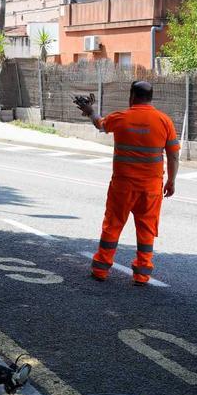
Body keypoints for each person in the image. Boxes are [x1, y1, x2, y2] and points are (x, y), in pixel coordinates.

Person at [75, 81, 180, 286]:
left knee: (113, 224)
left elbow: (100, 123)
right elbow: (174, 156)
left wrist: (90, 110)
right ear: (151, 97)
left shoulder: (120, 118)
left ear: (132, 95)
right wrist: (172, 181)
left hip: (122, 187)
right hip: (150, 188)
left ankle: (101, 269)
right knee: (147, 229)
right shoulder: (164, 121)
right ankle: (142, 274)